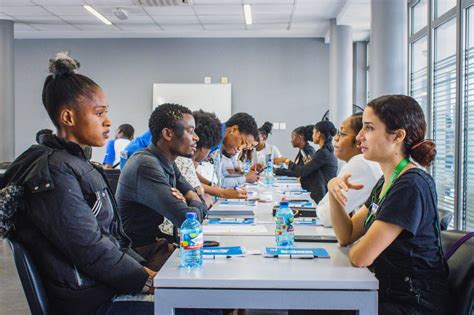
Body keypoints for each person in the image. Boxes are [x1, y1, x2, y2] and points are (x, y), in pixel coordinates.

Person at [1, 52, 155, 315]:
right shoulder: (55, 173)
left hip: (102, 288)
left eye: (107, 112)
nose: (108, 121)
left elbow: (112, 240)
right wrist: (146, 280)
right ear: (68, 118)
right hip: (91, 302)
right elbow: (89, 247)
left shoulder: (75, 164)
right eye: (99, 113)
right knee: (201, 309)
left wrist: (145, 272)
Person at [328, 95, 450, 314]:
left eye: (369, 128)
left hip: (412, 304)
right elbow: (347, 234)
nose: (359, 137)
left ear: (398, 136)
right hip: (389, 293)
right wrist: (332, 191)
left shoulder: (410, 184)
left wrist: (364, 244)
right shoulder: (387, 180)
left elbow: (360, 257)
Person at [116, 103, 208, 269]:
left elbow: (198, 202)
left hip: (153, 247)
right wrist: (191, 199)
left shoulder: (166, 161)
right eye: (190, 131)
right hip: (138, 257)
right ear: (168, 133)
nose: (196, 138)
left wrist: (191, 198)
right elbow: (187, 220)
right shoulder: (145, 165)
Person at [316, 113, 382, 227]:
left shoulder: (360, 164)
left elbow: (327, 217)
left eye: (342, 134)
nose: (336, 138)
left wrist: (321, 207)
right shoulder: (361, 162)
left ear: (359, 140)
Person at [190, 110, 247, 200]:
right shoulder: (211, 139)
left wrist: (211, 185)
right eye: (243, 142)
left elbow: (191, 174)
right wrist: (222, 192)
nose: (240, 148)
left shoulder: (215, 138)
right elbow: (188, 180)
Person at [278, 121, 338, 203]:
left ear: (318, 134)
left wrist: (286, 161)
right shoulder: (326, 151)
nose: (312, 136)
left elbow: (302, 171)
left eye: (313, 133)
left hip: (322, 197)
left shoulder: (323, 153)